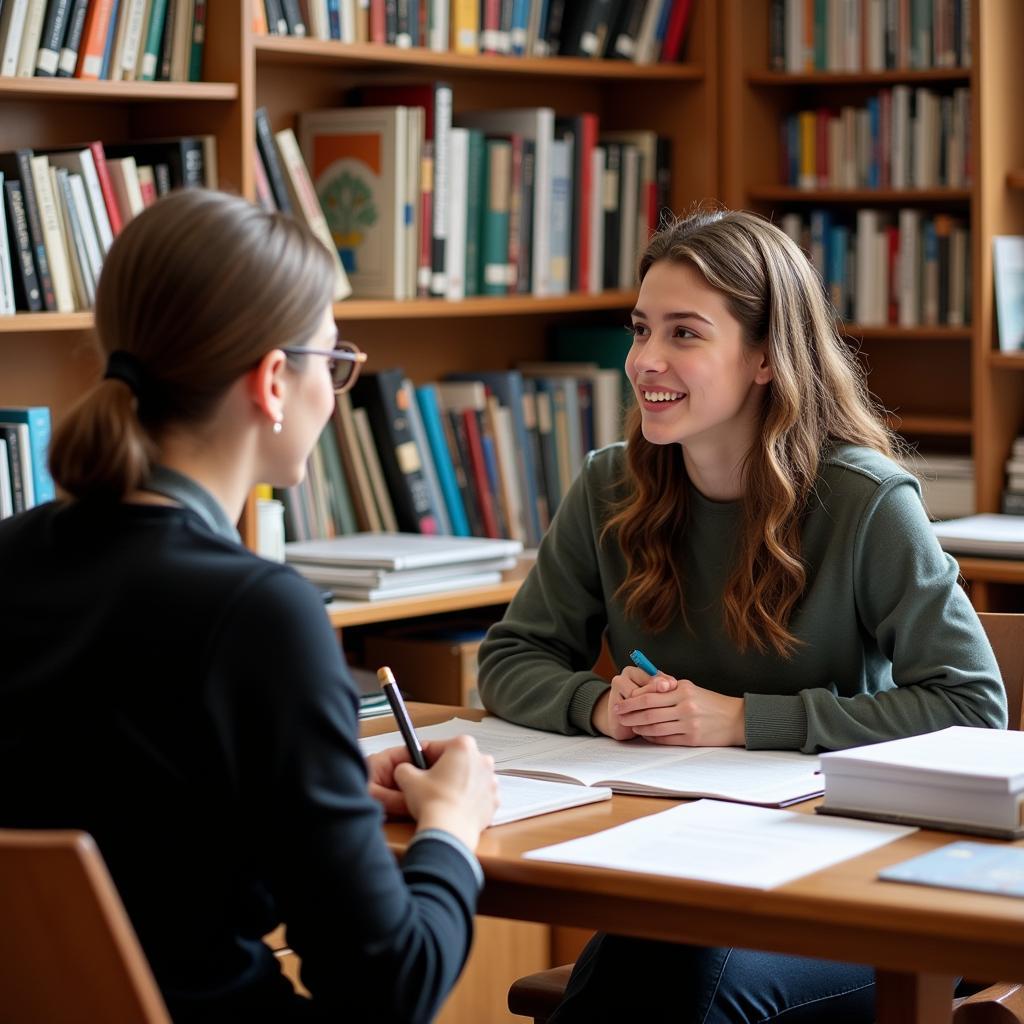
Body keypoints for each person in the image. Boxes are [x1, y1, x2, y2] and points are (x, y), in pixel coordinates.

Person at [477, 208, 1007, 1023]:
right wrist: (598, 704)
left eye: (685, 334)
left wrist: (741, 722)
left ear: (764, 357)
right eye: (641, 329)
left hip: (859, 883)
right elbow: (512, 656)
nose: (645, 360)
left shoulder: (865, 502)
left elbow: (972, 705)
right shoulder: (610, 485)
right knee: (648, 960)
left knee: (676, 981)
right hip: (679, 862)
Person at [0, 189, 498, 1024]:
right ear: (273, 381)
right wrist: (452, 827)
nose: (335, 394)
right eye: (334, 364)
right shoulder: (258, 614)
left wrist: (323, 783)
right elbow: (388, 985)